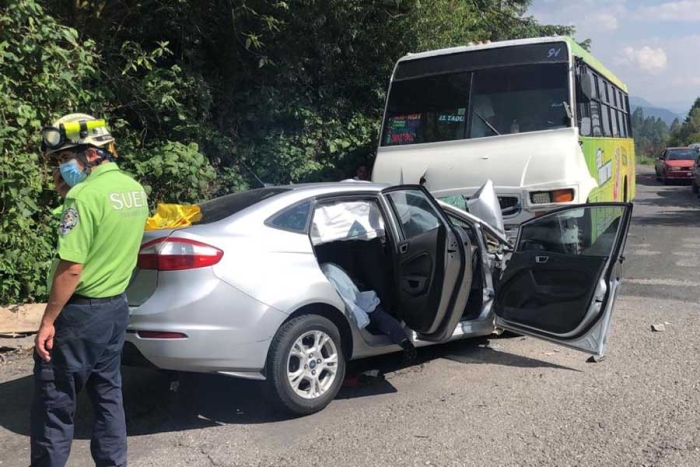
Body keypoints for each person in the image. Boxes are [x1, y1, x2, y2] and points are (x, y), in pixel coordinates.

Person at [31, 113, 149, 467]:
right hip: (115, 310)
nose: (62, 166)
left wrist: (48, 320)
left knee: (55, 403)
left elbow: (71, 268)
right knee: (108, 396)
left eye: (66, 157)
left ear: (92, 154)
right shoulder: (133, 190)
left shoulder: (82, 197)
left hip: (80, 315)